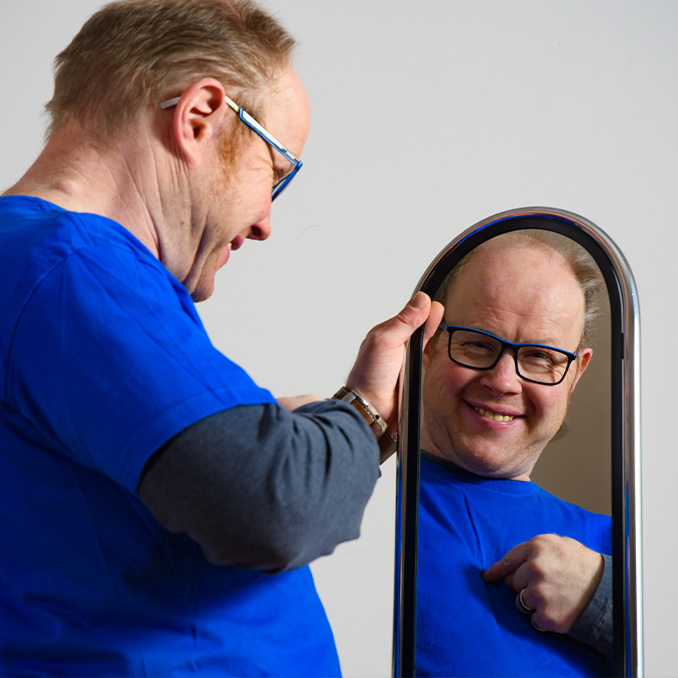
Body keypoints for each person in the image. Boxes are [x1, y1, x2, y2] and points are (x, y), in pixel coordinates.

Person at [0, 1, 443, 675]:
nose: (265, 222)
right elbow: (273, 506)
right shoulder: (67, 267)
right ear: (200, 117)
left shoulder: (36, 265)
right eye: (277, 172)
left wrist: (291, 435)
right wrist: (366, 413)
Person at [415, 230, 613, 677]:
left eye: (540, 356)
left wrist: (604, 599)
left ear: (575, 374)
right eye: (478, 343)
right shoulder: (358, 498)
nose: (504, 381)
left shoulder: (625, 553)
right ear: (429, 342)